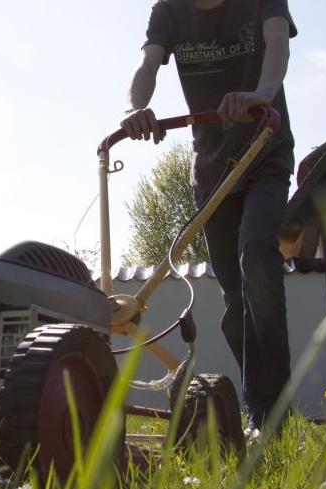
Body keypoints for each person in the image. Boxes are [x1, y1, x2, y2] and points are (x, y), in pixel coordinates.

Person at [121, 0, 296, 430]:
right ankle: (260, 408)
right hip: (213, 171)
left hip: (265, 155)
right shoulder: (168, 11)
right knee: (235, 297)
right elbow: (147, 64)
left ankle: (271, 412)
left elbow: (277, 44)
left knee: (256, 253)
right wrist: (133, 109)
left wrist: (262, 95)